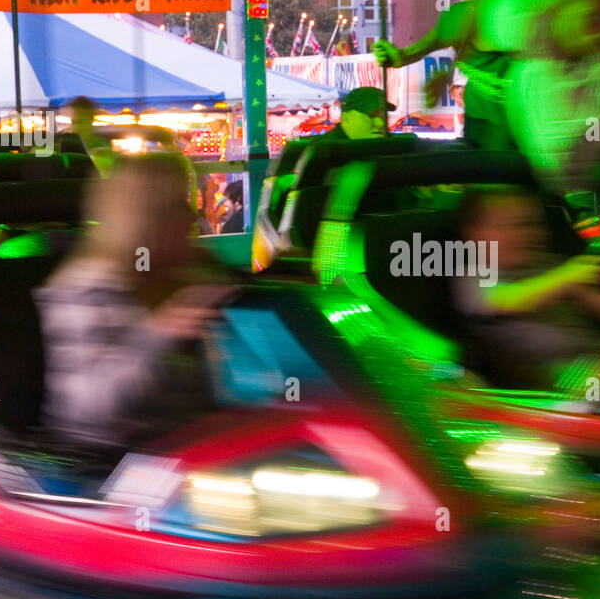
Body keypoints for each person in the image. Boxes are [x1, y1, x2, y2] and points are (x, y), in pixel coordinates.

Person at [408, 0, 600, 239]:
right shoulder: (526, 15)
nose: (595, 33)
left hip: (581, 154)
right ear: (566, 1)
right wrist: (418, 58)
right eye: (588, 19)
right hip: (525, 149)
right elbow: (459, 19)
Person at [34, 152, 233, 450]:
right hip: (110, 460)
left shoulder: (194, 272)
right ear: (145, 219)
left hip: (196, 442)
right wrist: (157, 333)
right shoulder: (87, 288)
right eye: (177, 206)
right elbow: (87, 405)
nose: (191, 216)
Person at [451, 185, 600, 390]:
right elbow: (508, 300)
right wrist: (566, 277)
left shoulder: (547, 265)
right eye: (510, 225)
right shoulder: (473, 275)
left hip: (594, 359)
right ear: (474, 234)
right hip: (541, 379)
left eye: (532, 225)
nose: (525, 234)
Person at [374, 0, 514, 151]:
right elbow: (409, 54)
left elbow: (410, 54)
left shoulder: (517, 28)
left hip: (507, 119)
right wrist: (393, 56)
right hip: (480, 117)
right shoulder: (457, 21)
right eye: (475, 6)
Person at [269, 86, 396, 187]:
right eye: (372, 116)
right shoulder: (323, 152)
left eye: (383, 116)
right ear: (346, 119)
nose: (380, 123)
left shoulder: (394, 147)